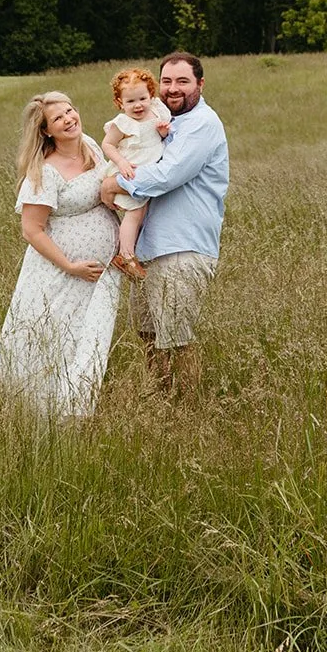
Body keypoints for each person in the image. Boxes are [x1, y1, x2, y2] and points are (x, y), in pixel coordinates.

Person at [101, 52, 228, 397]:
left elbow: (166, 176)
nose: (173, 89)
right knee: (146, 333)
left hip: (182, 248)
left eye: (183, 81)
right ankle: (162, 399)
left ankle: (187, 408)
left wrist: (112, 184)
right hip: (150, 251)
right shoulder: (161, 120)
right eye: (168, 81)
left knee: (176, 338)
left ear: (200, 84)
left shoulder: (202, 124)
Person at [0, 91, 120, 418]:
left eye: (70, 111)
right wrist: (71, 265)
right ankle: (45, 413)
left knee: (91, 338)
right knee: (55, 339)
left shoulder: (91, 146)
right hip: (61, 275)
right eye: (58, 118)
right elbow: (31, 230)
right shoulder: (44, 171)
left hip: (99, 275)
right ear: (46, 130)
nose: (69, 119)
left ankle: (81, 406)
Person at [100, 67, 171, 282]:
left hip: (148, 171)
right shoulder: (123, 123)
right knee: (135, 213)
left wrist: (162, 132)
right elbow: (108, 144)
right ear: (120, 103)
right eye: (130, 101)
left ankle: (134, 250)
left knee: (143, 212)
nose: (138, 105)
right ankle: (126, 256)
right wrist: (121, 162)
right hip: (130, 170)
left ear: (151, 94)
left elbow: (161, 136)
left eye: (142, 98)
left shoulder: (158, 111)